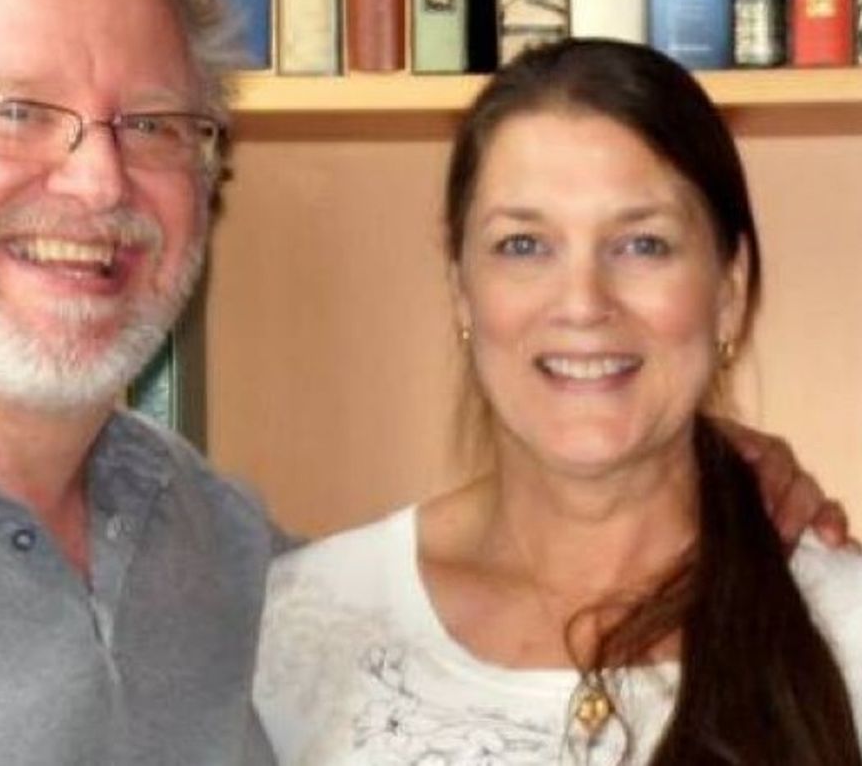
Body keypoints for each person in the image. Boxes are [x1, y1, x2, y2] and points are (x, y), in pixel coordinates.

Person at [0, 0, 844, 766]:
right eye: (15, 111)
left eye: (155, 125)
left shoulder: (211, 544)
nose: (97, 181)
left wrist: (691, 466)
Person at [253, 39, 862, 765]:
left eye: (642, 244)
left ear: (729, 292)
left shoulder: (844, 625)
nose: (582, 302)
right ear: (461, 289)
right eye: (523, 245)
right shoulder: (302, 628)